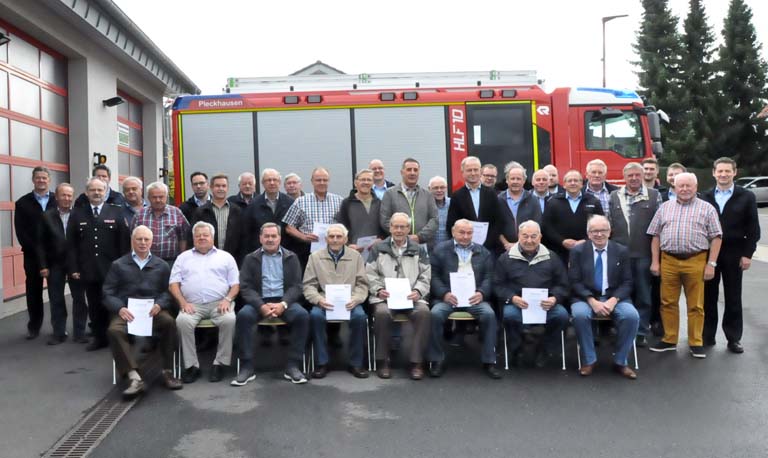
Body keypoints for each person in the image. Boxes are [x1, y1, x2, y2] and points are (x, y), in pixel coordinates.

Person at [647, 173, 722, 359]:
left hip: (696, 260)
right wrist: (655, 261)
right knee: (667, 302)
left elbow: (716, 237)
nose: (685, 189)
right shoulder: (664, 208)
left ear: (696, 187)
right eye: (681, 186)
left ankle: (696, 342)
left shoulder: (707, 209)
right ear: (674, 187)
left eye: (689, 186)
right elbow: (655, 236)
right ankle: (670, 339)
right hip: (669, 260)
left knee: (696, 305)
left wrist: (711, 264)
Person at [103, 225, 182, 398]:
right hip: (127, 311)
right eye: (139, 239)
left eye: (146, 239)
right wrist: (120, 308)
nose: (143, 243)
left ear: (152, 242)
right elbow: (108, 292)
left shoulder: (161, 265)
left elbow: (168, 291)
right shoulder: (118, 265)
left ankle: (167, 371)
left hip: (152, 311)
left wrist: (160, 305)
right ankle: (134, 376)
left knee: (169, 322)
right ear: (132, 241)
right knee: (114, 330)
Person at [233, 223, 309, 386]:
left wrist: (283, 304)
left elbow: (297, 286)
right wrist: (260, 305)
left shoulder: (291, 257)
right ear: (260, 238)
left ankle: (293, 365)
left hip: (283, 300)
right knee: (243, 316)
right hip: (259, 301)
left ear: (279, 238)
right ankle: (246, 366)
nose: (270, 239)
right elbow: (245, 287)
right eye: (266, 236)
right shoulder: (250, 258)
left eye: (273, 236)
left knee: (302, 316)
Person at [426, 219, 501, 379]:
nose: (465, 236)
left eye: (469, 233)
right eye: (461, 232)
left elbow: (489, 277)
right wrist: (444, 294)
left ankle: (489, 360)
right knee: (435, 314)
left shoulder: (483, 252)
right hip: (447, 299)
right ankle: (436, 359)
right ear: (453, 232)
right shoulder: (440, 250)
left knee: (489, 314)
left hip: (474, 298)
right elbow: (433, 276)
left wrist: (481, 293)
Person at [702, 157, 760, 353]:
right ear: (714, 173)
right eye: (720, 171)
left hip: (734, 252)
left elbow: (753, 229)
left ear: (735, 172)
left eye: (727, 171)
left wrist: (747, 254)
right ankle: (707, 336)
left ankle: (733, 338)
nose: (723, 174)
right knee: (708, 295)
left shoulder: (746, 196)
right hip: (709, 253)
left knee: (733, 296)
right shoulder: (706, 196)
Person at [569, 216, 639, 379]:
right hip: (585, 297)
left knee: (631, 316)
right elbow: (574, 281)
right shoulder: (577, 251)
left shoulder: (621, 251)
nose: (599, 234)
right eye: (594, 231)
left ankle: (621, 361)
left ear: (610, 232)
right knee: (579, 315)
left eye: (603, 230)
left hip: (614, 297)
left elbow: (628, 282)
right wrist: (591, 301)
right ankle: (589, 360)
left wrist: (614, 300)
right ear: (588, 233)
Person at [495, 220, 570, 369]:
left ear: (540, 237)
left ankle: (545, 349)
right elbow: (497, 285)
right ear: (518, 236)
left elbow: (563, 284)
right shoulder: (506, 258)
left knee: (562, 315)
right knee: (509, 316)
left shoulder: (552, 257)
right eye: (525, 236)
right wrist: (512, 298)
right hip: (518, 305)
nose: (529, 240)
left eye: (533, 236)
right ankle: (517, 349)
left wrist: (554, 298)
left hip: (546, 306)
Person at [171, 222, 240, 383]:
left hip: (220, 303)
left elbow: (235, 285)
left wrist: (228, 300)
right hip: (191, 305)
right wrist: (182, 302)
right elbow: (173, 284)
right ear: (193, 238)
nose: (202, 238)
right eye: (198, 235)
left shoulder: (226, 257)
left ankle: (220, 363)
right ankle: (191, 366)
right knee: (182, 321)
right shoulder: (183, 258)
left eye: (205, 235)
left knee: (229, 320)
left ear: (212, 237)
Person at [67, 177, 130, 351]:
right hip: (89, 269)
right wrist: (74, 268)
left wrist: (125, 268)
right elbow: (71, 245)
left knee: (113, 304)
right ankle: (99, 338)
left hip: (112, 269)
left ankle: (115, 337)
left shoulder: (116, 212)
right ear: (87, 193)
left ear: (105, 192)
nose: (96, 193)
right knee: (94, 305)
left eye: (100, 190)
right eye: (93, 190)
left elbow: (124, 243)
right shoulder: (77, 213)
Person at [366, 213, 431, 380]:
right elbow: (369, 274)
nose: (399, 230)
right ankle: (383, 361)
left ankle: (416, 362)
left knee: (423, 312)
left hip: (411, 297)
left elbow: (426, 275)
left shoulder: (418, 249)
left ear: (409, 229)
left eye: (403, 227)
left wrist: (418, 291)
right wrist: (379, 289)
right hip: (384, 297)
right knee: (381, 313)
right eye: (396, 226)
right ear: (390, 228)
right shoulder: (378, 248)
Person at [304, 224, 369, 379]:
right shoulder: (315, 257)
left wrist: (356, 299)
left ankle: (356, 363)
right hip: (324, 301)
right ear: (326, 239)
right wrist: (319, 300)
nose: (335, 240)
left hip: (350, 301)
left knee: (360, 317)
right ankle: (322, 362)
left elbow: (362, 283)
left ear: (345, 239)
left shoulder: (356, 256)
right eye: (331, 237)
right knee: (315, 316)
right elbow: (308, 285)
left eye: (339, 237)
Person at [607, 162, 660, 347]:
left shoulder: (653, 196)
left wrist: (655, 259)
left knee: (644, 295)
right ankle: (621, 327)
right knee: (619, 293)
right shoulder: (614, 196)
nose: (634, 178)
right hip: (619, 255)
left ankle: (641, 332)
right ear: (624, 176)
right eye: (630, 175)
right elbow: (608, 226)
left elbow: (658, 229)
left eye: (638, 174)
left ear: (642, 175)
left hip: (644, 254)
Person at [37, 183, 86, 345]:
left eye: (69, 195)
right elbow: (40, 243)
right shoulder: (47, 216)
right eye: (63, 195)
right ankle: (59, 333)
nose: (66, 198)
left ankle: (79, 333)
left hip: (76, 264)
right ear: (56, 197)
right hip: (54, 263)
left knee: (79, 298)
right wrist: (43, 265)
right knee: (56, 298)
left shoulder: (80, 215)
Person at [14, 166, 56, 339]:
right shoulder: (22, 203)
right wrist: (35, 249)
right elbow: (20, 231)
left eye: (44, 178)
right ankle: (34, 327)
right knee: (33, 291)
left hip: (54, 255)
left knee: (56, 292)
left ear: (49, 180)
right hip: (31, 255)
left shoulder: (57, 200)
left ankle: (58, 328)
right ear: (33, 180)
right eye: (38, 178)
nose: (41, 181)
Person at [283, 167, 344, 269]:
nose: (322, 182)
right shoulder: (300, 201)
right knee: (309, 280)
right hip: (307, 249)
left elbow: (345, 225)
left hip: (334, 248)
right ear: (312, 181)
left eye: (325, 180)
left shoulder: (339, 201)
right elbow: (289, 227)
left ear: (329, 181)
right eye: (318, 180)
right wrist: (303, 237)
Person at [541, 170, 604, 261]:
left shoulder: (593, 201)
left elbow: (601, 225)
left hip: (587, 250)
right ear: (564, 184)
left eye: (576, 180)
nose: (573, 183)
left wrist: (586, 241)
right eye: (569, 181)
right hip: (559, 251)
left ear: (582, 184)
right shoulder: (553, 202)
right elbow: (546, 227)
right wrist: (562, 241)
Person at [446, 156, 503, 253]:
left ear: (480, 172)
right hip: (464, 248)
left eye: (476, 170)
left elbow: (498, 221)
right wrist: (464, 242)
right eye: (469, 170)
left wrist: (487, 243)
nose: (473, 173)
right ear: (462, 172)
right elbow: (452, 224)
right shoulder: (456, 196)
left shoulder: (492, 194)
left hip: (489, 249)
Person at [380, 158, 438, 247]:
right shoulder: (390, 194)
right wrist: (402, 235)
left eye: (415, 170)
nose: (412, 173)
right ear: (402, 172)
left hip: (422, 244)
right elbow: (385, 220)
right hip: (397, 245)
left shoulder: (427, 195)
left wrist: (419, 237)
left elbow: (434, 220)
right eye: (409, 170)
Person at [131, 181, 190, 266]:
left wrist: (182, 259)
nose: (158, 200)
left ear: (166, 197)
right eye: (154, 197)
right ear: (148, 197)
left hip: (171, 262)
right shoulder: (139, 214)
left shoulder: (176, 213)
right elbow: (132, 238)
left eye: (161, 197)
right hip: (145, 262)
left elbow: (183, 237)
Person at [190, 174, 243, 264]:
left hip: (232, 260)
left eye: (224, 186)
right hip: (206, 260)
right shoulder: (201, 211)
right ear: (211, 187)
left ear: (227, 188)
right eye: (217, 186)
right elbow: (192, 237)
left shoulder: (237, 211)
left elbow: (243, 238)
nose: (221, 189)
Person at [241, 168, 294, 254]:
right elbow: (247, 233)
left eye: (275, 180)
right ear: (262, 183)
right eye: (268, 180)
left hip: (286, 254)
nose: (272, 183)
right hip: (260, 254)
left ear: (280, 182)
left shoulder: (290, 203)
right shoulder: (253, 204)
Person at [336, 169, 386, 256]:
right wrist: (348, 245)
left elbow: (384, 227)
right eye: (363, 179)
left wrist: (381, 240)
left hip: (376, 252)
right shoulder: (346, 203)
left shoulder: (380, 203)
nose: (366, 182)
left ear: (373, 183)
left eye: (369, 180)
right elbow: (341, 227)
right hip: (353, 252)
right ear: (356, 183)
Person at [499, 161, 542, 251]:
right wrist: (506, 244)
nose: (515, 181)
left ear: (524, 180)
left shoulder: (533, 200)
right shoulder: (498, 200)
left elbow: (538, 225)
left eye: (518, 179)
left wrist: (519, 244)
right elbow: (495, 226)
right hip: (503, 249)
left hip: (528, 248)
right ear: (507, 180)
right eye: (512, 178)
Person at [428, 176, 451, 247]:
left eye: (442, 187)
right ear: (429, 189)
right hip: (430, 249)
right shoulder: (425, 205)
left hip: (449, 249)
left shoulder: (453, 203)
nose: (439, 190)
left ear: (446, 188)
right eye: (435, 188)